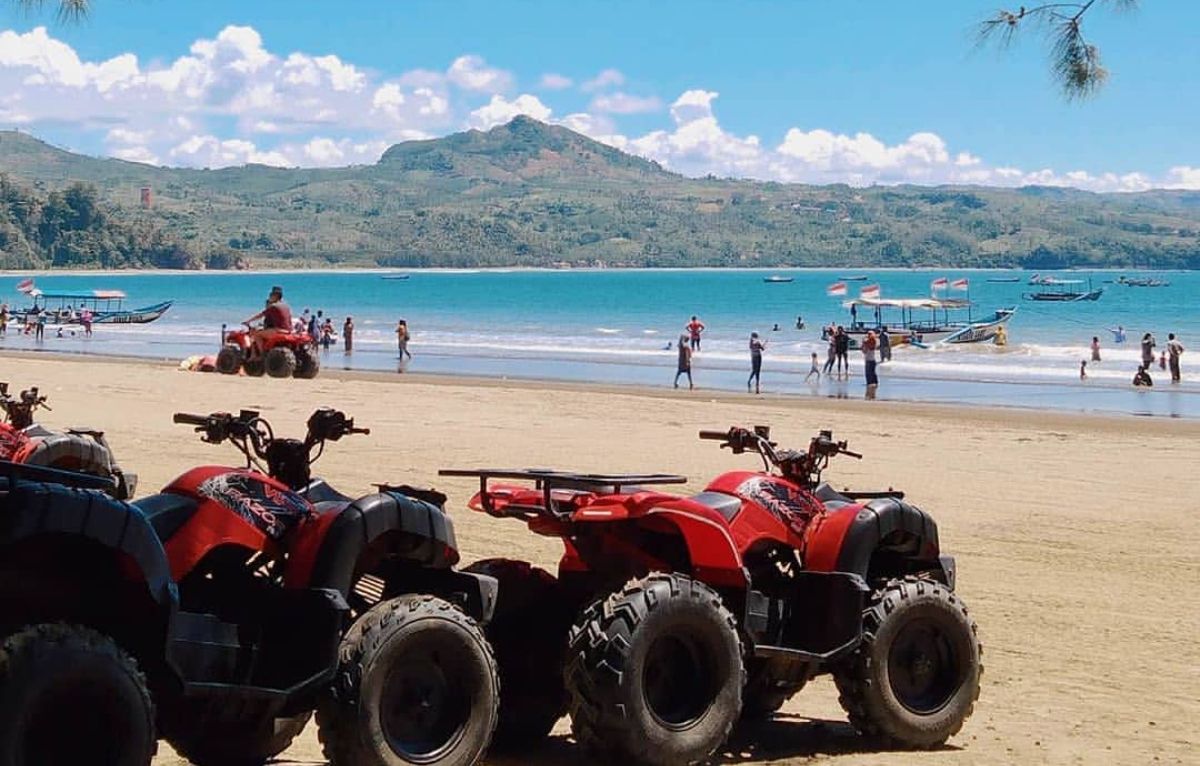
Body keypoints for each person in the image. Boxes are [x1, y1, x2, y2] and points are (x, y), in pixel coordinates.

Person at [242, 286, 292, 357]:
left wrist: (248, 321)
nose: (270, 297)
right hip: (288, 331)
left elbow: (260, 315)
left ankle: (262, 354)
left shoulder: (273, 306)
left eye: (271, 295)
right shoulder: (286, 306)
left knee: (257, 334)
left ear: (275, 296)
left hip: (278, 330)